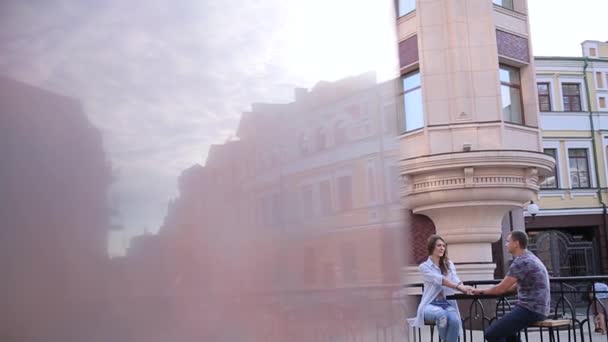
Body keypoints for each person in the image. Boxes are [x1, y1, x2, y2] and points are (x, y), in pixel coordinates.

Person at [471, 231, 550, 342]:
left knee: (491, 334)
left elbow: (500, 288)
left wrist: (480, 292)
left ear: (516, 243)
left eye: (508, 241)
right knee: (508, 334)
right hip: (539, 309)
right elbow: (513, 288)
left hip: (530, 309)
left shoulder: (521, 262)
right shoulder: (531, 258)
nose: (506, 244)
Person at [413, 235, 474, 342]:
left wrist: (464, 287)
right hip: (429, 304)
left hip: (446, 303)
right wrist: (459, 287)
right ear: (432, 247)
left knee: (455, 321)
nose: (442, 248)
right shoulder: (424, 267)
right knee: (441, 315)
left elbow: (455, 278)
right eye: (439, 245)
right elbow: (440, 280)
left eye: (443, 246)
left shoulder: (448, 264)